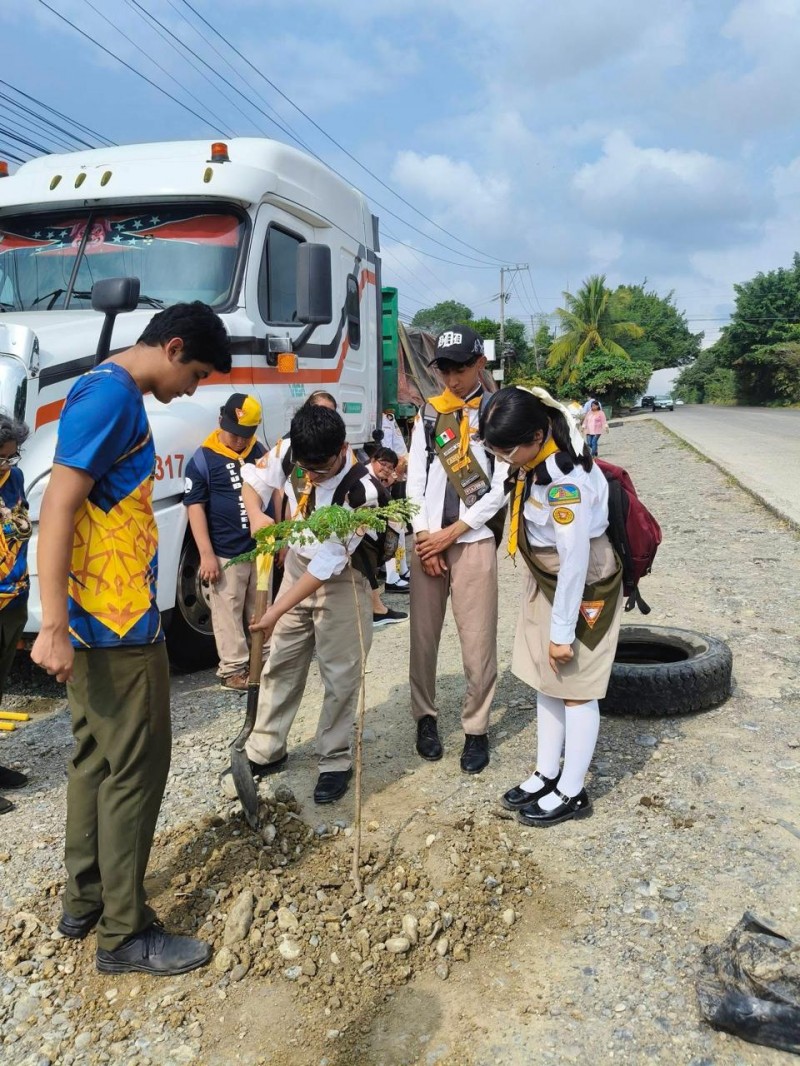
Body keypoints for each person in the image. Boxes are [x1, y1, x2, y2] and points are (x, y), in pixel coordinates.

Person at [31, 302, 232, 975]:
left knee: (94, 760)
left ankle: (84, 900)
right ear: (172, 347)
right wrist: (52, 625)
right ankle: (124, 933)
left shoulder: (101, 389)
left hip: (99, 618)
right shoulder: (112, 397)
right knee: (134, 771)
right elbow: (58, 506)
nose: (192, 389)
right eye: (195, 373)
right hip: (115, 623)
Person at [479, 385, 624, 827]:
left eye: (507, 450)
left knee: (576, 686)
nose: (502, 459)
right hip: (545, 576)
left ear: (538, 435)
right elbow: (501, 496)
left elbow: (575, 562)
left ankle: (573, 790)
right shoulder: (530, 463)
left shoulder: (566, 482)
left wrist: (562, 633)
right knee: (547, 679)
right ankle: (546, 772)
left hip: (580, 583)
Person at [240, 405, 385, 804]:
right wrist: (256, 515)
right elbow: (253, 481)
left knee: (340, 674)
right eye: (306, 470)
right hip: (297, 567)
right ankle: (265, 748)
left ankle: (335, 759)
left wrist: (274, 612)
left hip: (342, 578)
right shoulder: (292, 448)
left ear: (343, 448)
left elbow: (327, 564)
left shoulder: (363, 491)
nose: (312, 478)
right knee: (281, 662)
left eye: (321, 471)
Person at [407, 325, 509, 774]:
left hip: (473, 541)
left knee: (478, 641)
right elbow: (414, 481)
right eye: (445, 370)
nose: (452, 379)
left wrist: (453, 533)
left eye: (461, 369)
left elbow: (502, 486)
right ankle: (425, 719)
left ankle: (476, 728)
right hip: (428, 542)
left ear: (480, 364)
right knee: (423, 639)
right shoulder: (430, 413)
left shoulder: (496, 412)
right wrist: (424, 537)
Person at [183, 393, 266, 690]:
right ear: (221, 421)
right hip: (226, 552)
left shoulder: (259, 451)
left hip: (260, 549)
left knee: (260, 608)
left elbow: (275, 490)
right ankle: (233, 669)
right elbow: (195, 507)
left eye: (246, 435)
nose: (240, 441)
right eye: (234, 433)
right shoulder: (204, 458)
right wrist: (206, 554)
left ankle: (262, 662)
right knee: (227, 611)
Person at [0, 414, 32, 815]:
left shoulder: (16, 478)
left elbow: (21, 525)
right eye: (1, 458)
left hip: (13, 596)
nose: (8, 464)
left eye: (12, 456)